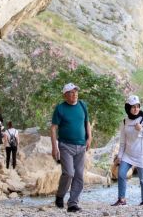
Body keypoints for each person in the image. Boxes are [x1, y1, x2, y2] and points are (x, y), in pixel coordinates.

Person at [51, 82, 92, 213]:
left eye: (75, 92)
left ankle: (73, 203)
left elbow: (87, 122)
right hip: (65, 146)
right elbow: (53, 128)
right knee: (68, 173)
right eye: (71, 92)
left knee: (79, 175)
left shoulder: (82, 105)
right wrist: (54, 147)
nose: (74, 94)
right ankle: (60, 195)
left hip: (81, 146)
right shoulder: (60, 108)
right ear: (65, 95)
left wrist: (89, 137)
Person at [111, 95, 143, 206]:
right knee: (121, 174)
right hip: (128, 154)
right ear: (128, 108)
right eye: (133, 107)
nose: (136, 109)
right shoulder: (125, 122)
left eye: (137, 106)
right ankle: (122, 200)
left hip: (142, 155)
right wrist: (120, 156)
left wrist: (141, 129)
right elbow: (122, 141)